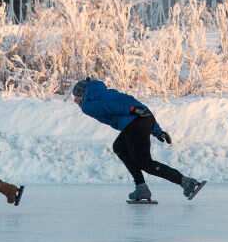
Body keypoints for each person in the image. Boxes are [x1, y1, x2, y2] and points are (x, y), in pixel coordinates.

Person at [71, 78, 205, 203]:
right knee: (120, 147)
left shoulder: (88, 104)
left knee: (144, 163)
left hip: (134, 124)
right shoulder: (109, 93)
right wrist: (158, 131)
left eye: (76, 97)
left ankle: (186, 182)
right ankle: (141, 188)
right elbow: (142, 109)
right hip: (141, 121)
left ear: (83, 94)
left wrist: (132, 110)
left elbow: (111, 107)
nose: (75, 100)